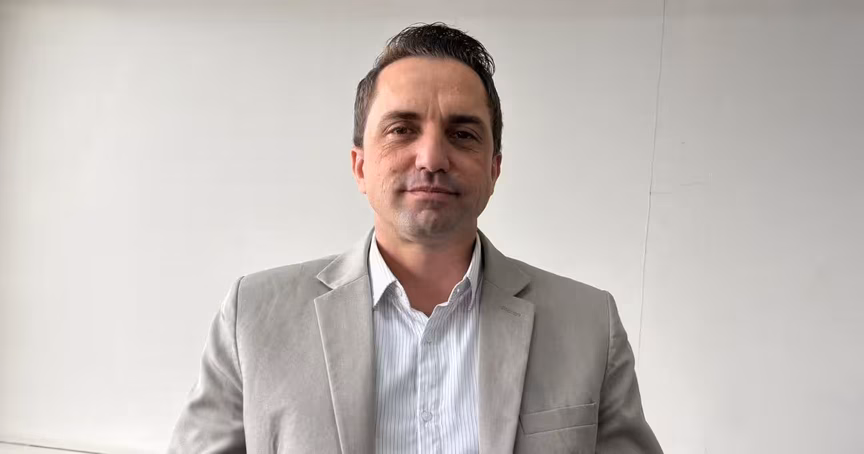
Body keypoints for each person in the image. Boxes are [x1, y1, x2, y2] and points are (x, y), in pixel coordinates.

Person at [169, 22, 662, 454]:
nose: (432, 158)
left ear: (494, 170)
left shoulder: (589, 325)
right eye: (402, 129)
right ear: (360, 166)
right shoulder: (254, 318)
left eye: (462, 134)